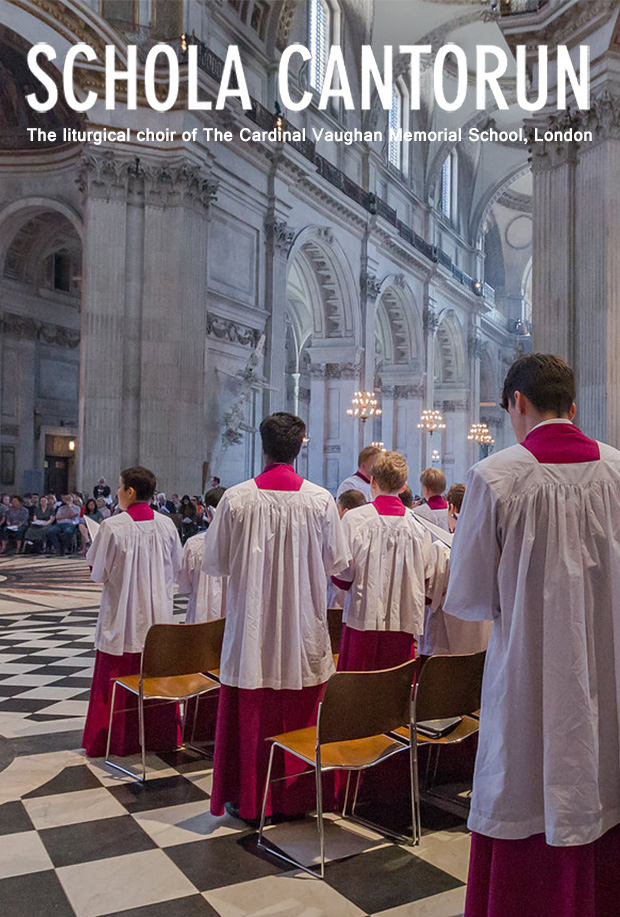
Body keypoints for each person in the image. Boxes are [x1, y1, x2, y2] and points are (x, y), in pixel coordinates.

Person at [444, 353, 620, 917]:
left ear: (516, 403)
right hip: (608, 665)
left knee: (522, 776)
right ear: (572, 405)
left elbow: (469, 596)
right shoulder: (618, 471)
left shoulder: (495, 476)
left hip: (527, 667)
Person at [203, 412, 350, 823]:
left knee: (252, 711)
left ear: (262, 445)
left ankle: (250, 798)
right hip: (302, 627)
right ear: (301, 446)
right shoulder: (320, 500)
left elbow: (216, 563)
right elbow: (337, 562)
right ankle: (296, 796)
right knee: (300, 706)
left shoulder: (236, 498)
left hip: (252, 628)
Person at [82, 466, 182, 758]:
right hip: (158, 620)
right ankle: (159, 737)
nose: (117, 492)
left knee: (116, 676)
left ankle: (114, 740)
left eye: (119, 486)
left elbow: (98, 572)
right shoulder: (167, 525)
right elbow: (175, 567)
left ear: (130, 492)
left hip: (124, 618)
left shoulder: (114, 526)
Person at [333, 451, 436, 672]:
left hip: (362, 621)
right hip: (403, 623)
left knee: (359, 687)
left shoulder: (355, 519)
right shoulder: (418, 526)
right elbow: (427, 577)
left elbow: (342, 577)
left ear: (372, 481)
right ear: (403, 486)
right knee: (393, 689)